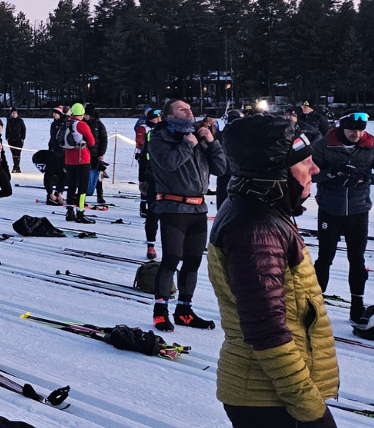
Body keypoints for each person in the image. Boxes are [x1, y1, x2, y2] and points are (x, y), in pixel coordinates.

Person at [208, 114, 338, 428]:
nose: (315, 169)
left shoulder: (257, 210)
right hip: (270, 399)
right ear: (276, 173)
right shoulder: (256, 228)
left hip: (270, 394)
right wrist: (310, 408)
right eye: (305, 162)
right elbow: (267, 331)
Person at [149, 99, 226, 331]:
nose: (188, 111)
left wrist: (211, 142)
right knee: (171, 259)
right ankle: (160, 311)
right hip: (173, 207)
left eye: (189, 108)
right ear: (170, 115)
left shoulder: (198, 137)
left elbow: (221, 168)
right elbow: (168, 164)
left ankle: (184, 310)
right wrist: (187, 145)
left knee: (193, 261)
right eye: (182, 109)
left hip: (198, 208)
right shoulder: (160, 137)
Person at [311, 112, 372, 326]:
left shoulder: (370, 145)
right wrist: (332, 173)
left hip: (358, 210)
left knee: (357, 259)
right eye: (351, 130)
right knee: (325, 258)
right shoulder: (324, 145)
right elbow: (309, 172)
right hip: (330, 209)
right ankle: (315, 305)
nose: (356, 135)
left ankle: (357, 305)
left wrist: (365, 177)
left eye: (360, 130)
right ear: (341, 128)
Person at [62, 103, 97, 224]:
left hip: (69, 160)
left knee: (71, 185)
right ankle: (80, 212)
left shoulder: (67, 123)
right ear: (81, 113)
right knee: (82, 187)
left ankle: (69, 211)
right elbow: (92, 142)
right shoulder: (82, 125)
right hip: (82, 159)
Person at [138, 109, 162, 259]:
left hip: (169, 180)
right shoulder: (149, 133)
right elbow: (143, 157)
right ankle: (151, 245)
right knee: (153, 213)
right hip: (152, 177)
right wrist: (142, 179)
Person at [85, 104, 108, 206]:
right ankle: (83, 194)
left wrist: (101, 153)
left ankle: (100, 195)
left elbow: (103, 139)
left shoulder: (99, 125)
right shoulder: (83, 124)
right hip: (85, 154)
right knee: (84, 175)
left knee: (98, 176)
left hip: (95, 154)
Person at [45, 106, 67, 205]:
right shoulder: (54, 124)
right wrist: (50, 147)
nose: (54, 115)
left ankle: (59, 192)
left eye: (56, 113)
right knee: (51, 172)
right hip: (54, 151)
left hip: (61, 152)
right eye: (53, 113)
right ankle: (50, 195)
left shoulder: (64, 123)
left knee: (62, 173)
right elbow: (52, 137)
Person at [5, 108, 26, 173]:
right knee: (13, 153)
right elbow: (7, 129)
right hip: (11, 140)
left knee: (17, 153)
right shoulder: (9, 121)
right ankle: (17, 167)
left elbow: (23, 129)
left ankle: (16, 167)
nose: (14, 113)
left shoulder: (20, 120)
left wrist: (22, 138)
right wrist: (7, 137)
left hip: (18, 140)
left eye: (15, 112)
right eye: (12, 112)